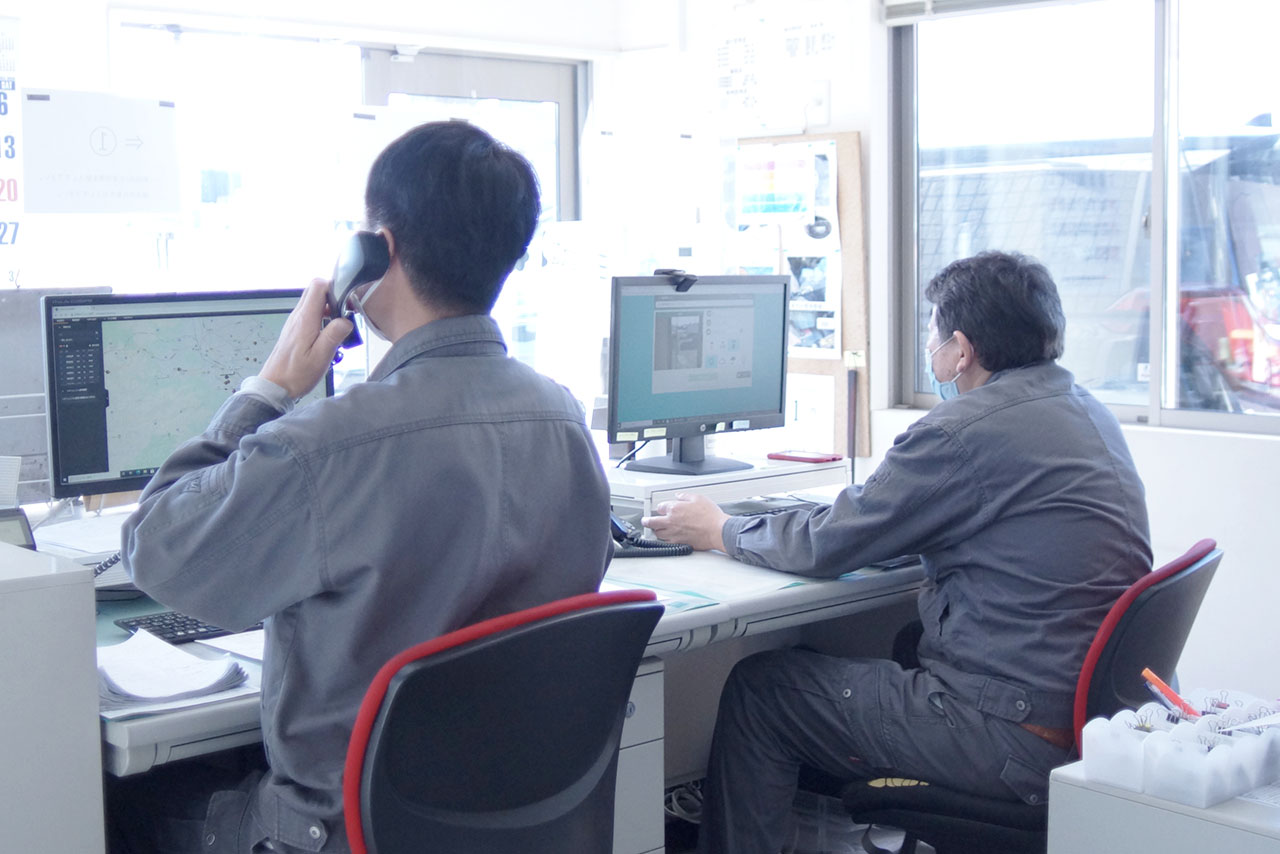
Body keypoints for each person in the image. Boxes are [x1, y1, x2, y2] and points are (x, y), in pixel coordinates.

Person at [110, 121, 614, 854]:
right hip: (505, 819)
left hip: (337, 831)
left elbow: (158, 552)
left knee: (122, 801)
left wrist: (269, 387)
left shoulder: (325, 445)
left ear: (380, 249)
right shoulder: (564, 418)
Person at [642, 250, 1152, 854]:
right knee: (905, 639)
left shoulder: (962, 430)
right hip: (1087, 723)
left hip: (1014, 735)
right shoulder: (1083, 408)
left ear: (961, 350)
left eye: (933, 337)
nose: (930, 351)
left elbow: (829, 542)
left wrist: (719, 529)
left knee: (766, 690)